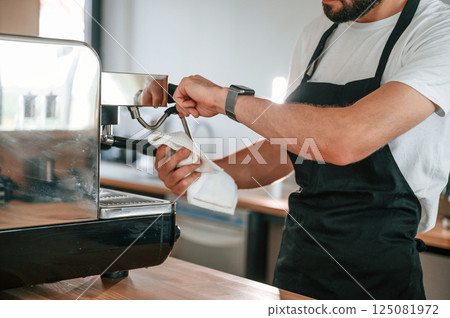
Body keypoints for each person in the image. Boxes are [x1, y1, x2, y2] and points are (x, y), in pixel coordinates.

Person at [152, 0, 450, 299]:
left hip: (378, 280)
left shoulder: (437, 30)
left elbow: (345, 140)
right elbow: (290, 148)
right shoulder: (318, 33)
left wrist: (226, 100)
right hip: (298, 267)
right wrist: (199, 171)